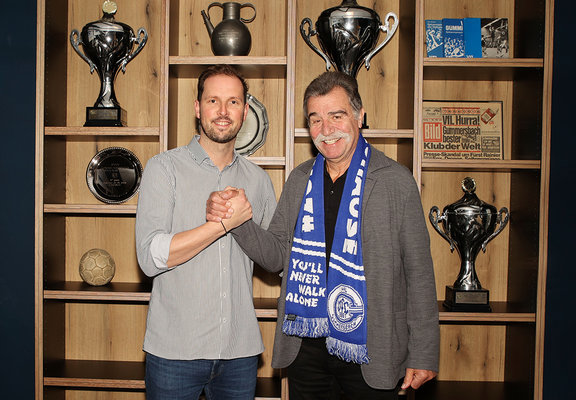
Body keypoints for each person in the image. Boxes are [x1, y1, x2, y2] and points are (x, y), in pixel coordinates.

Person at [206, 71, 439, 399]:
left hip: (373, 348)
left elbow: (419, 273)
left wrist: (424, 353)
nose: (326, 130)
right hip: (307, 349)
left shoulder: (396, 181)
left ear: (360, 116)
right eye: (315, 120)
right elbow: (276, 257)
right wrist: (237, 220)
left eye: (337, 116)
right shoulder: (300, 180)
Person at [135, 64, 277, 400]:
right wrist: (222, 224)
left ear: (245, 111)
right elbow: (150, 256)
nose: (223, 111)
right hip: (174, 352)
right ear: (198, 108)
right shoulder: (163, 168)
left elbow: (275, 258)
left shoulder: (258, 180)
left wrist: (243, 223)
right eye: (213, 101)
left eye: (233, 102)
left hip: (240, 353)